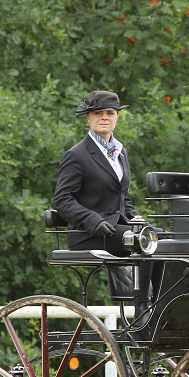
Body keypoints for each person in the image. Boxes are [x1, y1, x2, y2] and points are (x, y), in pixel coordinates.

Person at [54, 90, 145, 255]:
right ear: (88, 117)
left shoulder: (120, 152)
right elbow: (62, 200)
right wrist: (91, 220)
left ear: (117, 116)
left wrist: (137, 220)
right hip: (88, 233)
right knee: (142, 241)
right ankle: (138, 282)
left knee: (162, 238)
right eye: (98, 113)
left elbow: (121, 197)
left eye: (110, 113)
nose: (105, 117)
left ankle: (152, 282)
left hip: (119, 228)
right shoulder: (76, 155)